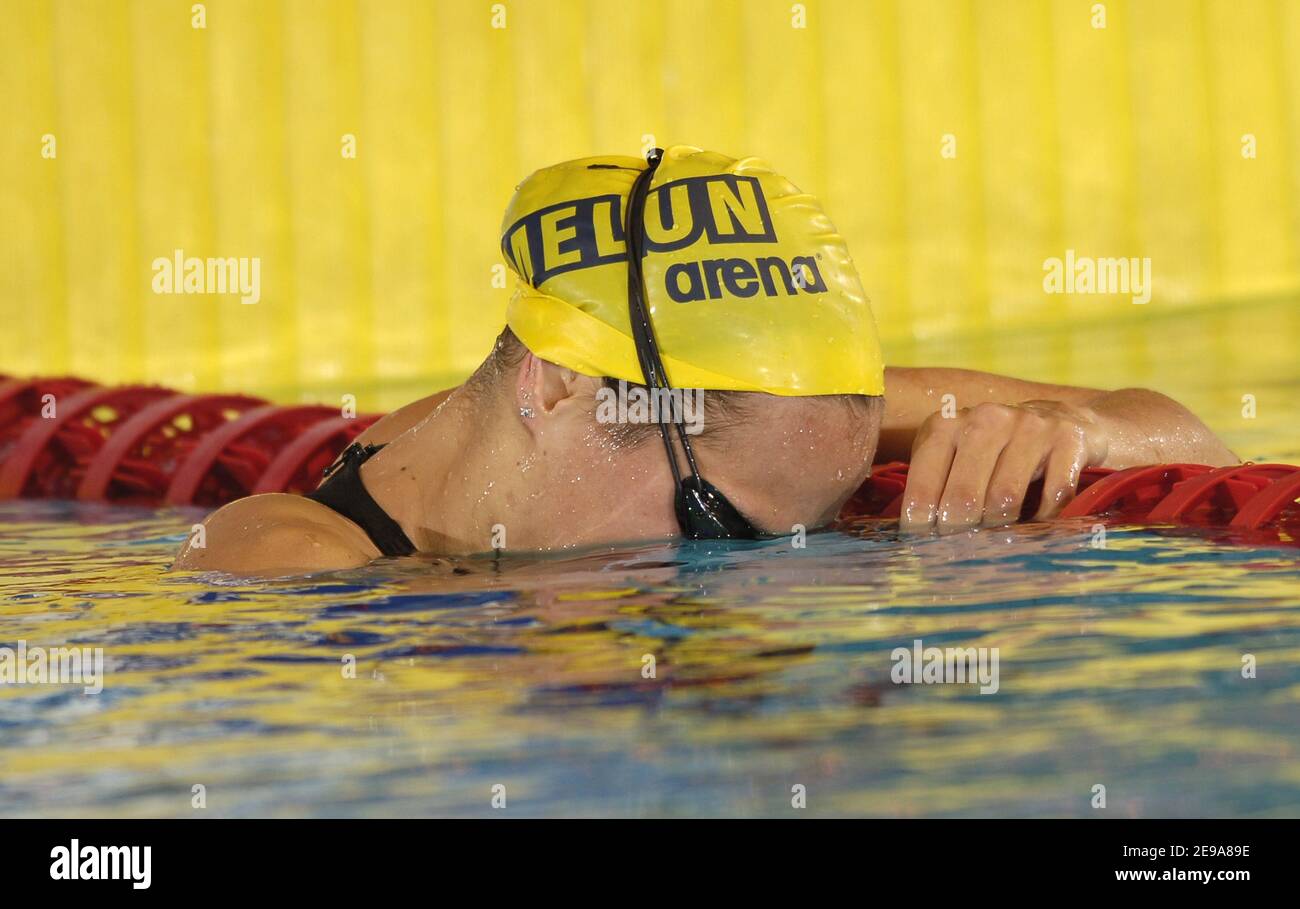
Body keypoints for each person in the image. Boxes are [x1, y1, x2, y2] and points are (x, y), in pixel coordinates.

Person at [175, 147, 1235, 576]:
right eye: (718, 529)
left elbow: (1185, 433)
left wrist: (1070, 434)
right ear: (560, 382)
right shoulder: (285, 557)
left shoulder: (757, 420)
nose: (754, 582)